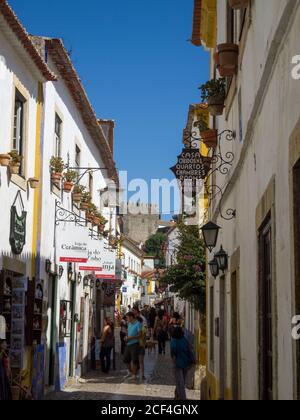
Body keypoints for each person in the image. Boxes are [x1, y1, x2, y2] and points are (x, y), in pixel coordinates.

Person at [170, 327, 193, 401]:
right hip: (186, 363)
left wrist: (174, 364)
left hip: (178, 364)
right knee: (181, 380)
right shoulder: (184, 340)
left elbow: (173, 353)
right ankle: (177, 395)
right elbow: (190, 348)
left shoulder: (173, 341)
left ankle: (182, 398)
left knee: (180, 382)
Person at [123, 312, 142, 382]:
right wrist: (126, 337)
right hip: (128, 343)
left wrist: (131, 338)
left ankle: (134, 375)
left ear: (131, 317)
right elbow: (128, 332)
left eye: (127, 318)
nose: (127, 319)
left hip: (135, 344)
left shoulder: (138, 324)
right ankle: (131, 372)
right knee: (125, 359)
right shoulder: (129, 324)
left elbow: (139, 335)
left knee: (134, 360)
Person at [137, 317, 147, 381]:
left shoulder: (142, 329)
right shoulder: (144, 328)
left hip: (139, 345)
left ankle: (141, 374)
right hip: (142, 345)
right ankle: (142, 375)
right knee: (141, 362)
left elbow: (140, 337)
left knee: (140, 361)